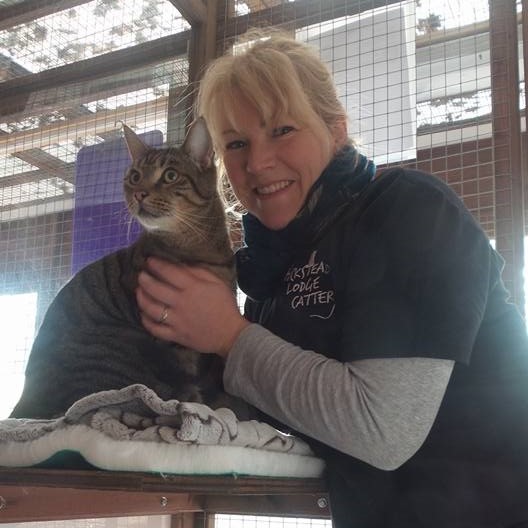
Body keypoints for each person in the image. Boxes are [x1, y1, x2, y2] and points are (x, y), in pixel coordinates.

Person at [135, 32, 528, 527]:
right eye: (236, 143)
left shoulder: (407, 209)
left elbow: (382, 430)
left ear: (336, 131)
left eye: (282, 130)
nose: (257, 163)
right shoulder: (270, 274)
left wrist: (229, 337)